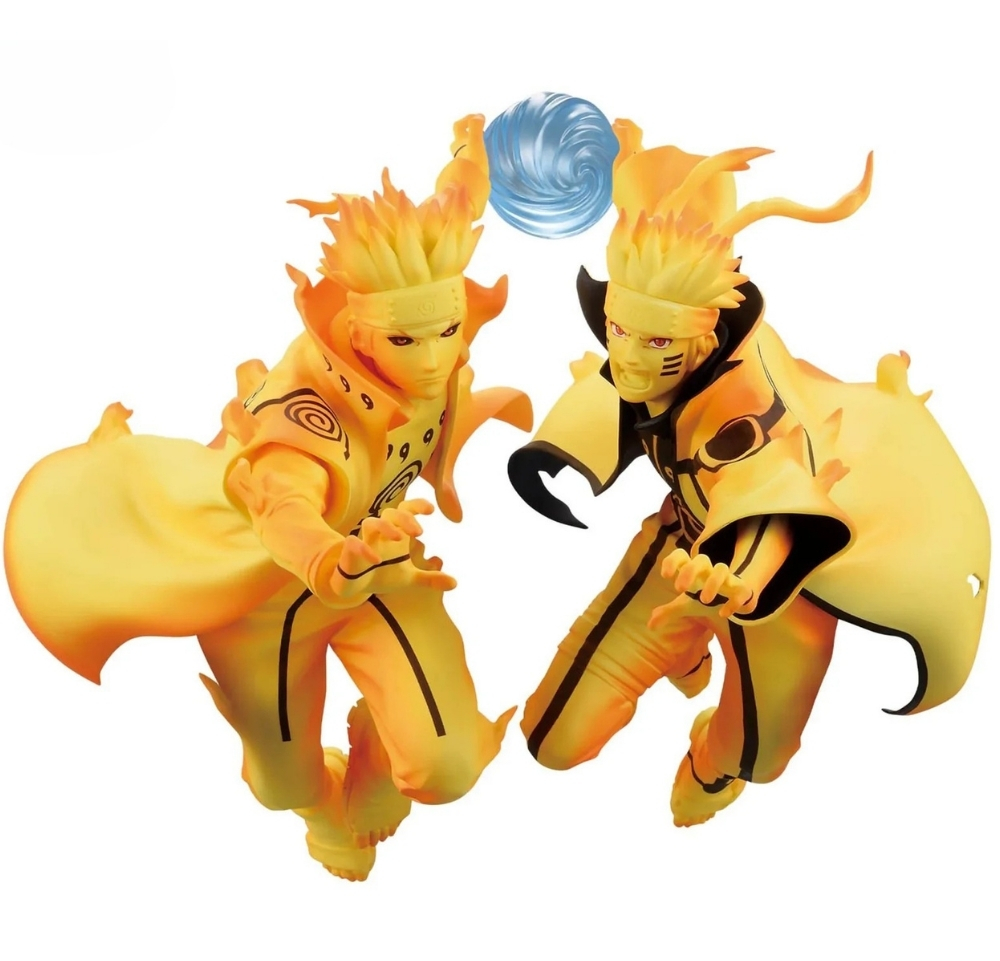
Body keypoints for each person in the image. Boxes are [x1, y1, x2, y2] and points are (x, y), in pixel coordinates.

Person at [5, 114, 531, 880]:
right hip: (265, 604)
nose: (433, 358)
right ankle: (322, 811)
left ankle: (378, 753)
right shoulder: (303, 418)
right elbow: (284, 508)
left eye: (448, 330)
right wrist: (329, 559)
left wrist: (470, 156)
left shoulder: (425, 319)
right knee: (282, 787)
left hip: (377, 573)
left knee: (447, 767)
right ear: (357, 330)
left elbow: (448, 216)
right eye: (406, 341)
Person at [508, 120, 989, 827]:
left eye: (657, 341)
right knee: (551, 741)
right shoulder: (648, 356)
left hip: (782, 594)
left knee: (756, 759)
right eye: (618, 330)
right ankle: (685, 656)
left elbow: (774, 498)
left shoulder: (750, 406)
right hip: (683, 549)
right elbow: (617, 385)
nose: (631, 357)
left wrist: (736, 579)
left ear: (705, 335)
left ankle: (711, 760)